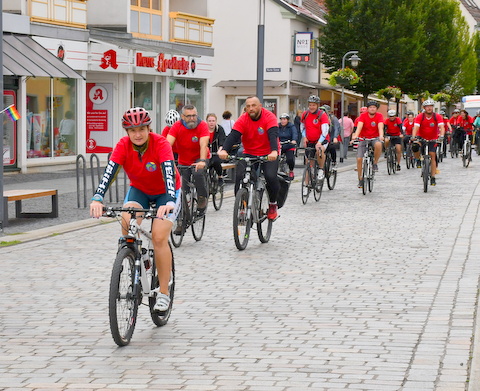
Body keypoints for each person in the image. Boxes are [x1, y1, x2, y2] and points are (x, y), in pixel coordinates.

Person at [90, 107, 181, 312]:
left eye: (141, 129)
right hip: (139, 190)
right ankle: (133, 259)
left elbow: (168, 172)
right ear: (127, 132)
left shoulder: (161, 143)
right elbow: (109, 172)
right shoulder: (122, 146)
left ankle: (164, 292)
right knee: (126, 223)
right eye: (132, 130)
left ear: (149, 128)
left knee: (158, 237)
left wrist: (169, 202)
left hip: (166, 193)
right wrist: (97, 198)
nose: (137, 134)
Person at [218, 95, 281, 220]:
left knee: (270, 176)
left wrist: (274, 151)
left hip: (268, 153)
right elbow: (233, 135)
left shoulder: (269, 117)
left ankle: (273, 204)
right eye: (248, 106)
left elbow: (273, 135)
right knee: (240, 176)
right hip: (249, 152)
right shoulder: (243, 119)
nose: (251, 108)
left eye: (253, 105)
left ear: (260, 106)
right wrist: (224, 149)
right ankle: (242, 206)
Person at [167, 105, 210, 217]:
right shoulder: (177, 126)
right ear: (182, 116)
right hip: (184, 160)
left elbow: (203, 145)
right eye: (189, 116)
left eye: (194, 115)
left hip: (200, 157)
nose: (192, 118)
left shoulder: (202, 125)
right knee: (181, 188)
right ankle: (182, 218)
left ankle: (202, 197)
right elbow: (167, 144)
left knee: (198, 173)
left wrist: (202, 160)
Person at [351, 101, 384, 189]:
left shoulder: (379, 116)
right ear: (368, 108)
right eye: (370, 107)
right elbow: (359, 127)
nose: (372, 109)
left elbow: (380, 126)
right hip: (364, 138)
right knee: (359, 159)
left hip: (375, 137)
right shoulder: (363, 116)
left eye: (374, 107)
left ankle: (375, 163)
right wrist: (355, 136)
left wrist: (381, 136)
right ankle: (360, 179)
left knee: (378, 144)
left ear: (376, 109)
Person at [412, 99, 445, 186]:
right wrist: (413, 136)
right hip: (421, 137)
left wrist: (441, 136)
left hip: (432, 138)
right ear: (424, 108)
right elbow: (416, 127)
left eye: (431, 106)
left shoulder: (437, 116)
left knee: (432, 155)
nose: (429, 108)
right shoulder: (420, 116)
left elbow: (441, 126)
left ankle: (433, 177)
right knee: (415, 146)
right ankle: (417, 159)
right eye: (427, 107)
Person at [300, 95, 330, 180]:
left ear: (317, 105)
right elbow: (302, 127)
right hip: (310, 139)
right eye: (310, 105)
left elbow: (325, 130)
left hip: (322, 139)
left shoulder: (322, 115)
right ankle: (306, 185)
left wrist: (319, 142)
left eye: (313, 105)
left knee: (319, 150)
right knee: (308, 161)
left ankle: (321, 169)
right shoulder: (305, 114)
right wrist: (304, 137)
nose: (311, 107)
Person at [206, 113, 226, 185]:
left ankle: (220, 176)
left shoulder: (219, 129)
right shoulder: (204, 129)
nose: (211, 123)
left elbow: (222, 141)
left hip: (216, 151)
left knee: (216, 161)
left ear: (216, 121)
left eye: (213, 121)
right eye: (210, 121)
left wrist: (220, 150)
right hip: (206, 152)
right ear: (207, 122)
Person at [278, 113, 298, 179]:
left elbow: (294, 133)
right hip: (280, 145)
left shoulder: (291, 126)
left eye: (284, 119)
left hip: (289, 145)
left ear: (287, 120)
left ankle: (291, 170)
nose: (282, 121)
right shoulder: (278, 126)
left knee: (290, 159)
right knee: (275, 159)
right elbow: (274, 134)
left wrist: (294, 140)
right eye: (281, 119)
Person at [322, 105, 340, 169]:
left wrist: (335, 137)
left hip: (331, 138)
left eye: (324, 111)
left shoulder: (333, 119)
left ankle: (334, 162)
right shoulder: (319, 118)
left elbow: (336, 128)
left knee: (332, 148)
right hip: (322, 139)